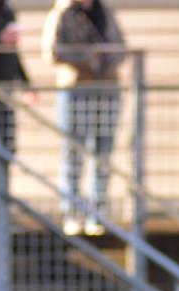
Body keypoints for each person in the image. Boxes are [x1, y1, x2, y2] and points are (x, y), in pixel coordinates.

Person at [42, 0, 126, 237]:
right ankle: (71, 213)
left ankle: (97, 214)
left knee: (103, 153)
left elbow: (121, 46)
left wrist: (108, 59)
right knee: (73, 152)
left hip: (107, 90)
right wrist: (87, 58)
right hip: (76, 90)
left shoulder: (105, 11)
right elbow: (52, 51)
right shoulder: (63, 13)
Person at [0, 1, 34, 156]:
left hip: (5, 89)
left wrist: (27, 86)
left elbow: (14, 54)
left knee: (7, 146)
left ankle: (1, 180)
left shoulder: (6, 10)